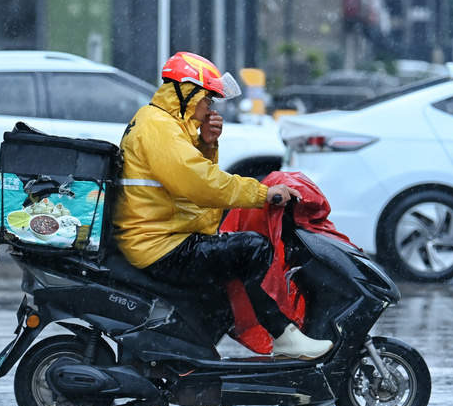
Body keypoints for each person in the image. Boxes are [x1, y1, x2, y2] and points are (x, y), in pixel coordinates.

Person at [112, 51, 333, 359]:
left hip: (162, 237)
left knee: (223, 290)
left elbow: (186, 179)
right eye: (207, 99)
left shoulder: (162, 123)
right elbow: (199, 184)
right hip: (160, 245)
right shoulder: (158, 128)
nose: (209, 107)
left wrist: (206, 144)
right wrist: (262, 194)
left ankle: (193, 360)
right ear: (186, 92)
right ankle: (284, 337)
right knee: (252, 249)